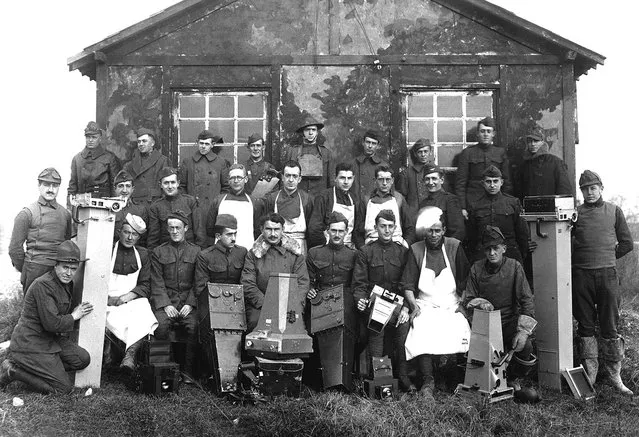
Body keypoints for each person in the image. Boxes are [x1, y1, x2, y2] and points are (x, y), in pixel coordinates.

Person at [0, 241, 93, 394]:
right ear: (55, 265)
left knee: (82, 359)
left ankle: (41, 369)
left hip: (49, 339)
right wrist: (74, 316)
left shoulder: (66, 283)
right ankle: (13, 370)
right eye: (65, 267)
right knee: (63, 389)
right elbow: (53, 324)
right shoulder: (43, 285)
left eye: (73, 269)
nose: (69, 273)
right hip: (30, 343)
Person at [572, 170, 634, 395]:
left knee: (610, 325)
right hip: (581, 277)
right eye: (585, 189)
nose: (589, 192)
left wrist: (607, 256)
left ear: (600, 188)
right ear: (581, 192)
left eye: (593, 188)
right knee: (585, 326)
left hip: (607, 276)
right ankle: (590, 375)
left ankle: (615, 376)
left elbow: (627, 243)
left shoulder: (614, 211)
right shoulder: (575, 214)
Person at [400, 207, 471, 397]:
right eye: (430, 230)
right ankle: (428, 380)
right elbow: (407, 284)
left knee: (458, 326)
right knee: (422, 327)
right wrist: (414, 306)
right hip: (425, 302)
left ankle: (453, 378)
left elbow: (466, 282)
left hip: (451, 302)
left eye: (437, 230)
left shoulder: (454, 246)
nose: (433, 235)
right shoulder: (416, 249)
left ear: (444, 230)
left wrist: (462, 305)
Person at [462, 226, 537, 387]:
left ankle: (513, 378)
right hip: (484, 326)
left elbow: (527, 300)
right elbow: (468, 299)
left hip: (509, 323)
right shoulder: (476, 268)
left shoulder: (514, 267)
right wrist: (480, 303)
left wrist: (523, 332)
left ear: (504, 248)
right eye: (488, 249)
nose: (492, 253)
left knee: (526, 346)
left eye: (496, 248)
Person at [351, 210, 411, 391]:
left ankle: (403, 376)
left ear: (395, 228)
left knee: (403, 330)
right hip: (374, 307)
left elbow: (408, 283)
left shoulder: (403, 252)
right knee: (377, 330)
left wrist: (406, 308)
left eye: (390, 226)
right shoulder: (366, 252)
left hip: (397, 307)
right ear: (376, 227)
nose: (386, 230)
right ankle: (380, 378)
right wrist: (360, 300)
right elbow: (359, 283)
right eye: (382, 226)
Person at [306, 212, 358, 389]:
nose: (337, 235)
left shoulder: (353, 255)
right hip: (321, 303)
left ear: (346, 232)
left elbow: (356, 284)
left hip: (345, 304)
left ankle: (343, 379)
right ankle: (320, 380)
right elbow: (308, 281)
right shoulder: (314, 253)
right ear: (327, 231)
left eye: (341, 231)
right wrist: (310, 291)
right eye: (333, 230)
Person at [194, 214, 247, 380]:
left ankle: (238, 370)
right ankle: (213, 371)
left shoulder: (242, 252)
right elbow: (201, 287)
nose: (233, 238)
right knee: (210, 329)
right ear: (218, 236)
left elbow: (245, 281)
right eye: (229, 234)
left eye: (235, 234)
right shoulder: (205, 255)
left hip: (237, 304)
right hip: (212, 305)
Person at [150, 211, 201, 382]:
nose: (174, 231)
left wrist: (191, 304)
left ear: (185, 228)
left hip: (187, 303)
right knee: (160, 325)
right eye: (171, 228)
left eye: (178, 227)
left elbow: (199, 281)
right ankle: (163, 371)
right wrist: (165, 305)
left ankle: (188, 372)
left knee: (194, 327)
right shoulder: (159, 252)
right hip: (168, 302)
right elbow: (156, 281)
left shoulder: (196, 252)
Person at [241, 213, 309, 332]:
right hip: (261, 305)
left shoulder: (295, 255)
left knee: (296, 330)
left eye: (277, 229)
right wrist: (266, 304)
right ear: (261, 229)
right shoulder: (253, 254)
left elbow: (302, 283)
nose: (273, 234)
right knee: (255, 323)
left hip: (289, 306)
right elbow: (248, 283)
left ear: (283, 229)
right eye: (268, 229)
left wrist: (294, 306)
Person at [106, 214, 157, 371]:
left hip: (130, 299)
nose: (129, 237)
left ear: (139, 237)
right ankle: (113, 357)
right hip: (107, 301)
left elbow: (145, 284)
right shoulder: (107, 250)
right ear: (120, 232)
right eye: (127, 232)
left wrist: (128, 297)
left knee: (144, 312)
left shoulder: (142, 254)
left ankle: (130, 355)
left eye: (134, 234)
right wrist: (109, 299)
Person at [9, 168, 73, 294]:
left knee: (55, 308)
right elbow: (14, 248)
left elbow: (67, 244)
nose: (50, 189)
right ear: (39, 185)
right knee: (32, 310)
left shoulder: (65, 214)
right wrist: (26, 268)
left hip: (57, 271)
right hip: (34, 269)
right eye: (46, 184)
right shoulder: (27, 213)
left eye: (55, 185)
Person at [467, 165, 529, 263]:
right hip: (484, 255)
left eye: (495, 181)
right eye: (488, 181)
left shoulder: (513, 203)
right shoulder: (475, 206)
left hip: (509, 253)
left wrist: (521, 254)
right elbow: (471, 237)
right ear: (483, 183)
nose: (492, 185)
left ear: (502, 182)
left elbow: (522, 234)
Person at [455, 117, 512, 218]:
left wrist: (504, 202)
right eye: (482, 131)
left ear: (493, 134)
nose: (486, 134)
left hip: (495, 203)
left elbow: (506, 182)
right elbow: (460, 183)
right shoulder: (467, 153)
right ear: (477, 133)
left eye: (488, 131)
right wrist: (462, 207)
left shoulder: (500, 153)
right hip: (473, 204)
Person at [308, 162, 365, 249]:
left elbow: (357, 231)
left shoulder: (355, 200)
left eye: (349, 178)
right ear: (335, 178)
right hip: (328, 247)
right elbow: (314, 228)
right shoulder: (324, 197)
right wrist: (324, 247)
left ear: (353, 179)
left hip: (348, 249)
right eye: (342, 178)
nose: (346, 182)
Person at [178, 130, 230, 224]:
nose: (203, 146)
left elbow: (226, 187)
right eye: (201, 143)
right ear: (197, 142)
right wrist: (187, 205)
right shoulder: (188, 162)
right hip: (193, 209)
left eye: (206, 144)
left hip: (213, 209)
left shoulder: (220, 162)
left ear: (212, 145)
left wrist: (218, 204)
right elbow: (182, 186)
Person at [206, 164, 261, 249]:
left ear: (245, 179)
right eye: (232, 178)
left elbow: (257, 230)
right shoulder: (218, 201)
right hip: (222, 252)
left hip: (246, 250)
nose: (236, 181)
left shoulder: (254, 202)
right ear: (228, 180)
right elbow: (210, 228)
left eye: (239, 177)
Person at [263, 160, 313, 254]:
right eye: (287, 175)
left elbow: (312, 230)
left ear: (299, 179)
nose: (291, 180)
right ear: (282, 177)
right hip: (277, 248)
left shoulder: (307, 199)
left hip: (300, 248)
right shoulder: (272, 199)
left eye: (294, 176)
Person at [147, 167, 203, 249]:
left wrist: (199, 254)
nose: (170, 186)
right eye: (166, 183)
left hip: (189, 252)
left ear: (178, 183)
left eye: (173, 182)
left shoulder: (190, 202)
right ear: (160, 185)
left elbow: (199, 232)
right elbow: (153, 238)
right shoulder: (156, 207)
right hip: (166, 254)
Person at [68, 121, 121, 203]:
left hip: (103, 203)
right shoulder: (77, 159)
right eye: (88, 137)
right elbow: (72, 187)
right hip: (82, 203)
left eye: (94, 137)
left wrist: (115, 205)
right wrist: (70, 206)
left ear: (100, 138)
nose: (90, 140)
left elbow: (115, 186)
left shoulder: (109, 158)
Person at [363, 165, 415, 248]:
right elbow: (358, 230)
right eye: (381, 180)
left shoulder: (399, 199)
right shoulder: (366, 200)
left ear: (392, 181)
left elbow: (409, 227)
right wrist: (363, 248)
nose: (384, 183)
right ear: (375, 180)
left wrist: (405, 245)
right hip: (371, 246)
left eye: (387, 179)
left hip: (396, 245)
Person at [282, 115, 333, 196]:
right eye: (307, 130)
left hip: (319, 197)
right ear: (302, 132)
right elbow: (285, 178)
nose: (310, 133)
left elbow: (331, 181)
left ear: (317, 132)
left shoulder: (325, 153)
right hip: (297, 197)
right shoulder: (293, 152)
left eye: (313, 130)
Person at [518, 125, 572, 198]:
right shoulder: (524, 165)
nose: (533, 144)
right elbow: (520, 192)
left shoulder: (556, 163)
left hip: (551, 207)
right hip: (530, 207)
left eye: (536, 141)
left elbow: (564, 191)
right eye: (530, 141)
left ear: (542, 142)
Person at [123, 128, 170, 207]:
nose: (141, 144)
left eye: (144, 141)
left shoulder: (162, 161)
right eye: (139, 142)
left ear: (152, 143)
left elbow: (167, 186)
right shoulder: (130, 164)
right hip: (135, 204)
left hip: (154, 204)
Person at [417, 164, 465, 241]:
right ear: (423, 182)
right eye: (427, 179)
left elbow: (458, 231)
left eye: (434, 178)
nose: (431, 182)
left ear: (441, 180)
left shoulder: (450, 200)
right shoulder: (423, 204)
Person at [112, 169, 149, 247]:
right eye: (121, 186)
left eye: (128, 186)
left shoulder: (140, 210)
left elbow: (143, 238)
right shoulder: (107, 208)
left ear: (133, 189)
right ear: (115, 188)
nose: (124, 190)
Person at [397, 138, 435, 209]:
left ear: (431, 152)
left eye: (425, 151)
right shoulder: (406, 173)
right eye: (420, 152)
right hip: (413, 214)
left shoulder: (437, 172)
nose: (423, 155)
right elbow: (401, 197)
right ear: (415, 154)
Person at [351, 130, 389, 202]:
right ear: (363, 143)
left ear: (378, 146)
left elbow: (388, 191)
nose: (370, 146)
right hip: (356, 206)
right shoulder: (353, 164)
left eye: (374, 143)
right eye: (368, 142)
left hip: (374, 206)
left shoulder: (383, 166)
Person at [244, 133, 278, 198]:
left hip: (264, 205)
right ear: (248, 148)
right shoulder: (242, 167)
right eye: (252, 145)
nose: (255, 148)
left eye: (258, 145)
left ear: (263, 147)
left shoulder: (270, 168)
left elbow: (274, 191)